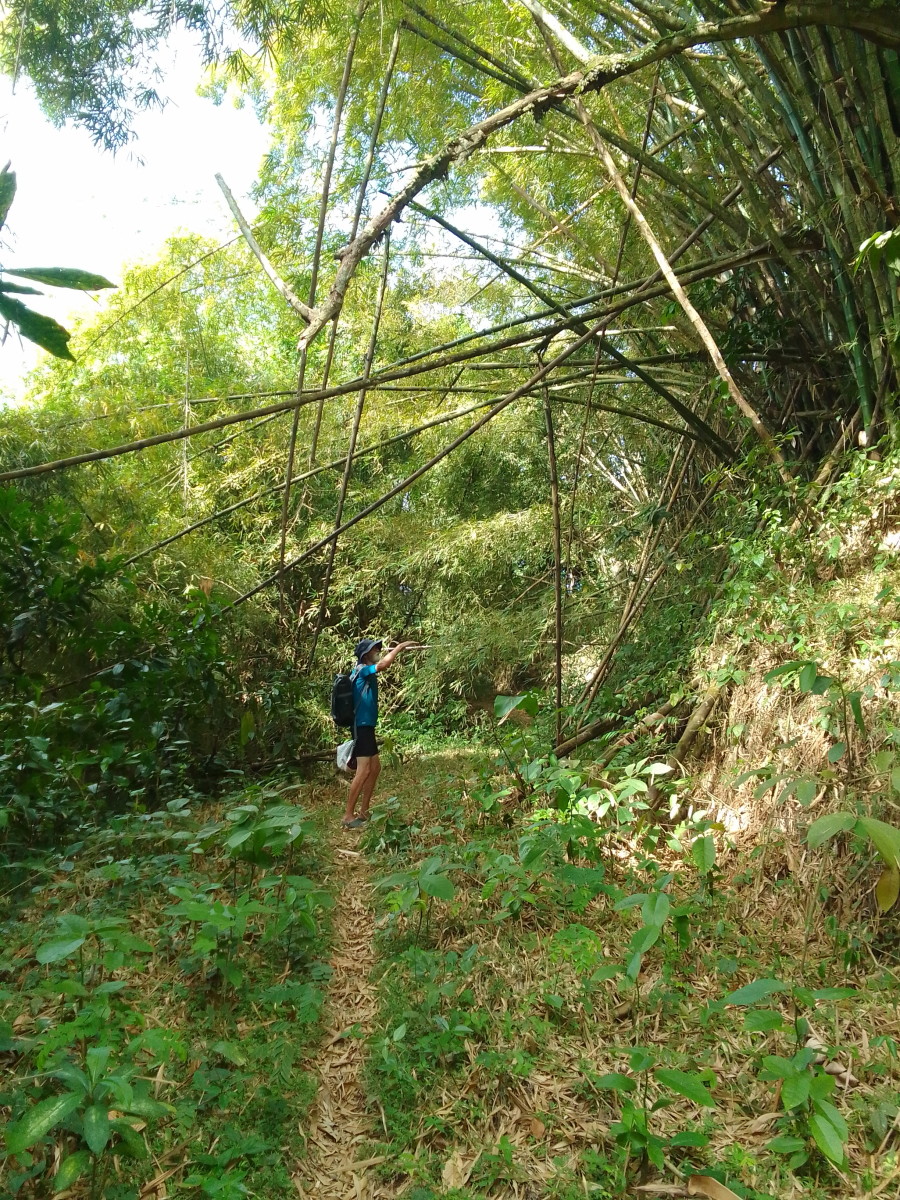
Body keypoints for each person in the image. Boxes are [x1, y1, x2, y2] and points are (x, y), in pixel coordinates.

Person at [342, 637, 417, 829]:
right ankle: (348, 816)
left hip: (367, 726)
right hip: (362, 726)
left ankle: (364, 811)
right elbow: (383, 665)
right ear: (365, 654)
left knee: (374, 768)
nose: (378, 651)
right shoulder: (362, 670)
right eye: (374, 649)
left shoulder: (364, 671)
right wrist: (399, 648)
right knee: (364, 770)